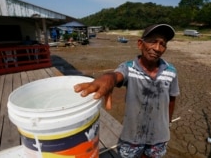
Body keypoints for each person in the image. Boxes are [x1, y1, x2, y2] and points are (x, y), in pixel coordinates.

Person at [74, 24, 180, 158]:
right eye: (153, 42)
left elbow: (172, 99)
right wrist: (108, 78)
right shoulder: (129, 68)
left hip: (159, 136)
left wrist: (168, 124)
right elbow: (117, 75)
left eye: (162, 44)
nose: (157, 48)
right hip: (132, 136)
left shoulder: (171, 72)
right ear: (140, 44)